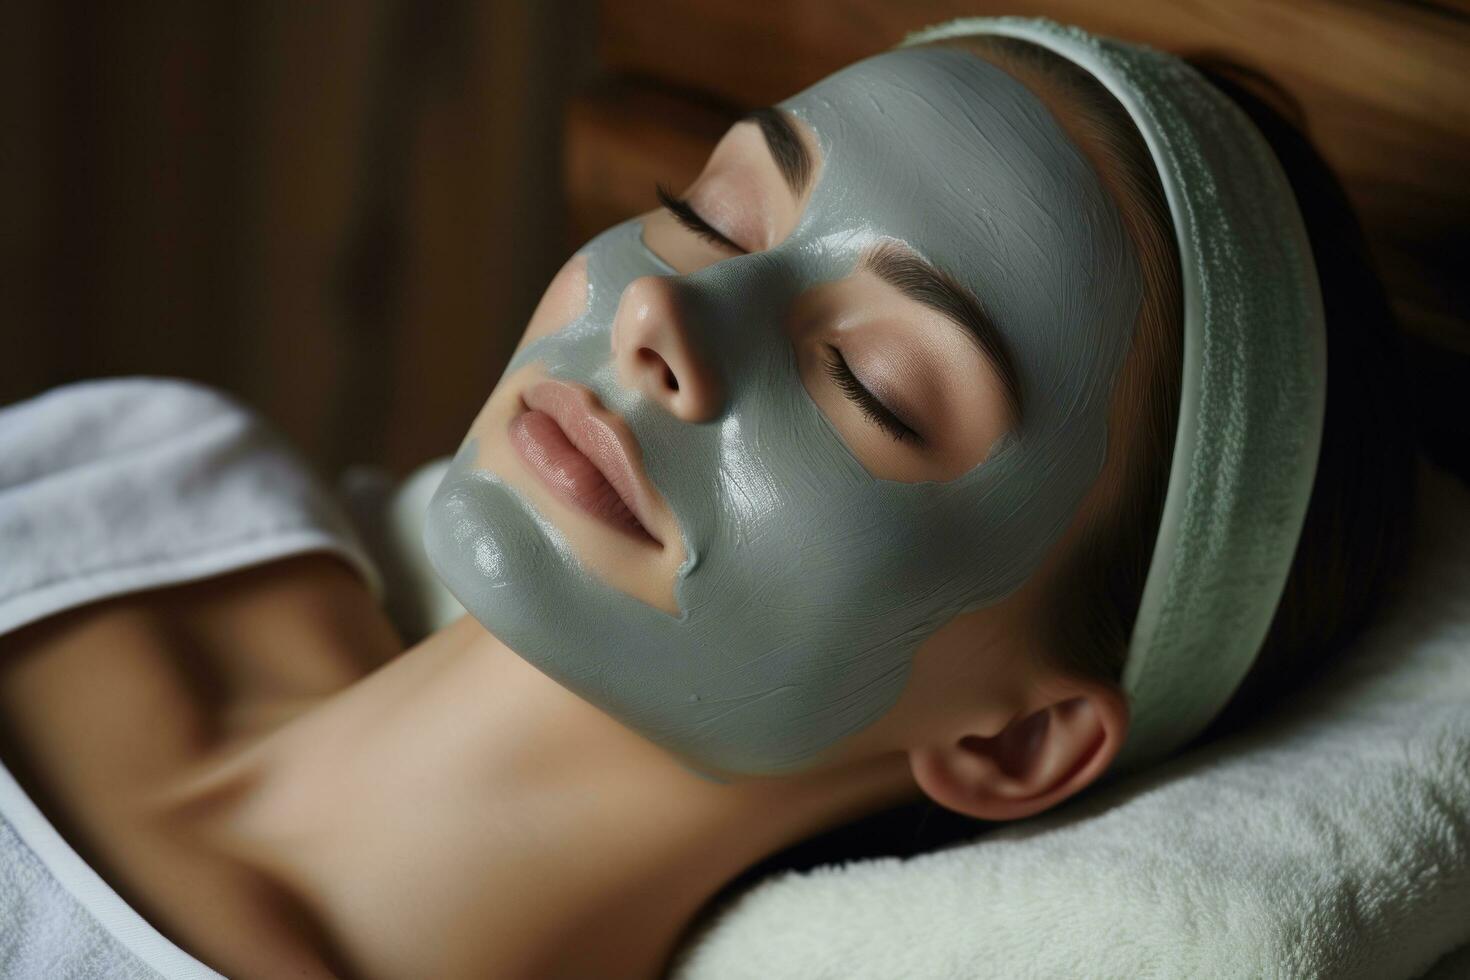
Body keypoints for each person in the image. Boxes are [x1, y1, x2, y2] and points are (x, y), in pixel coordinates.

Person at [0, 17, 1414, 980]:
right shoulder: (150, 468)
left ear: (1019, 742)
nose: (663, 313)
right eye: (717, 214)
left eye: (868, 381)